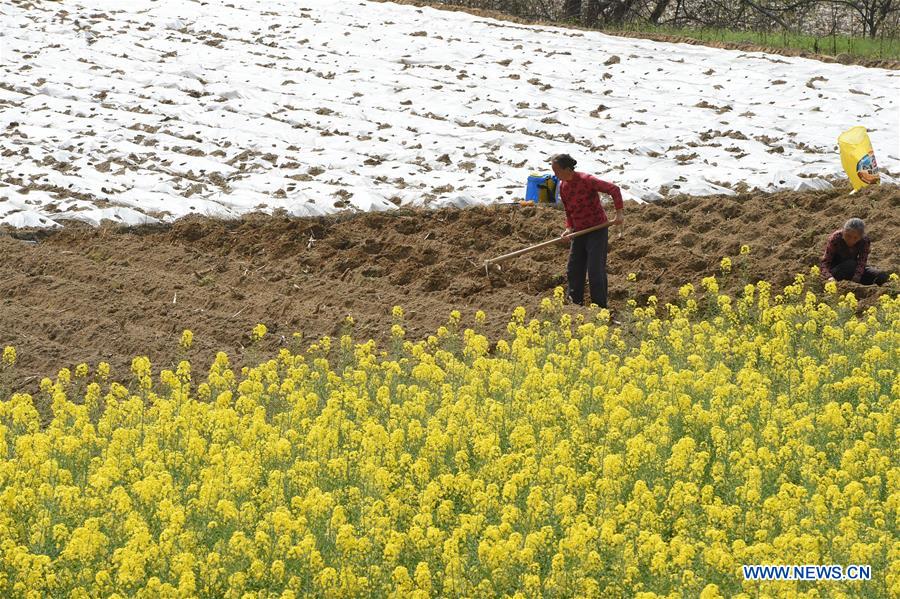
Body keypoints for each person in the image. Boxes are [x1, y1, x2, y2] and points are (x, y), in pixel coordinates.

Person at [550, 153, 624, 308]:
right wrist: (568, 228)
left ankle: (600, 307)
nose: (554, 174)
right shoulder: (563, 187)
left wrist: (619, 214)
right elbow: (569, 211)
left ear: (568, 169)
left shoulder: (586, 180)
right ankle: (575, 305)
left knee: (595, 270)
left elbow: (614, 189)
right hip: (579, 232)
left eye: (556, 170)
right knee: (574, 268)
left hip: (597, 230)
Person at [820, 218, 889, 285]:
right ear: (843, 232)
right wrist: (829, 277)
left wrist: (856, 278)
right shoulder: (835, 238)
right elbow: (825, 263)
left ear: (860, 237)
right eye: (848, 236)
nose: (851, 240)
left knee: (881, 276)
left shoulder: (864, 241)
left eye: (855, 238)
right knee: (850, 264)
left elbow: (862, 261)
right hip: (836, 270)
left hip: (854, 270)